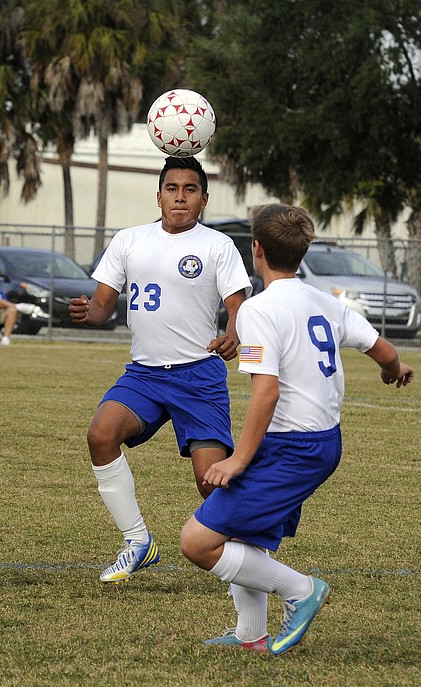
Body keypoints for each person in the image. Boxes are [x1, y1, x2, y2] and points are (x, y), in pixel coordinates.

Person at [179, 203, 414, 654]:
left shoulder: (257, 311)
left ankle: (303, 591)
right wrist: (394, 369)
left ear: (257, 250)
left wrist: (238, 460)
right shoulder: (325, 301)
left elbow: (266, 392)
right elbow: (381, 348)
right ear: (303, 252)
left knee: (198, 542)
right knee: (247, 535)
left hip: (294, 447)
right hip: (321, 441)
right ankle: (251, 637)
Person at [69, 156, 252, 584]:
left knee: (210, 482)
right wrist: (86, 312)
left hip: (198, 376)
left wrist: (234, 333)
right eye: (172, 188)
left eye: (190, 190)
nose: (180, 197)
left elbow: (237, 307)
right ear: (159, 196)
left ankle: (247, 549)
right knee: (100, 434)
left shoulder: (217, 246)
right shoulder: (130, 240)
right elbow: (101, 305)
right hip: (145, 375)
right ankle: (137, 542)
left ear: (204, 199)